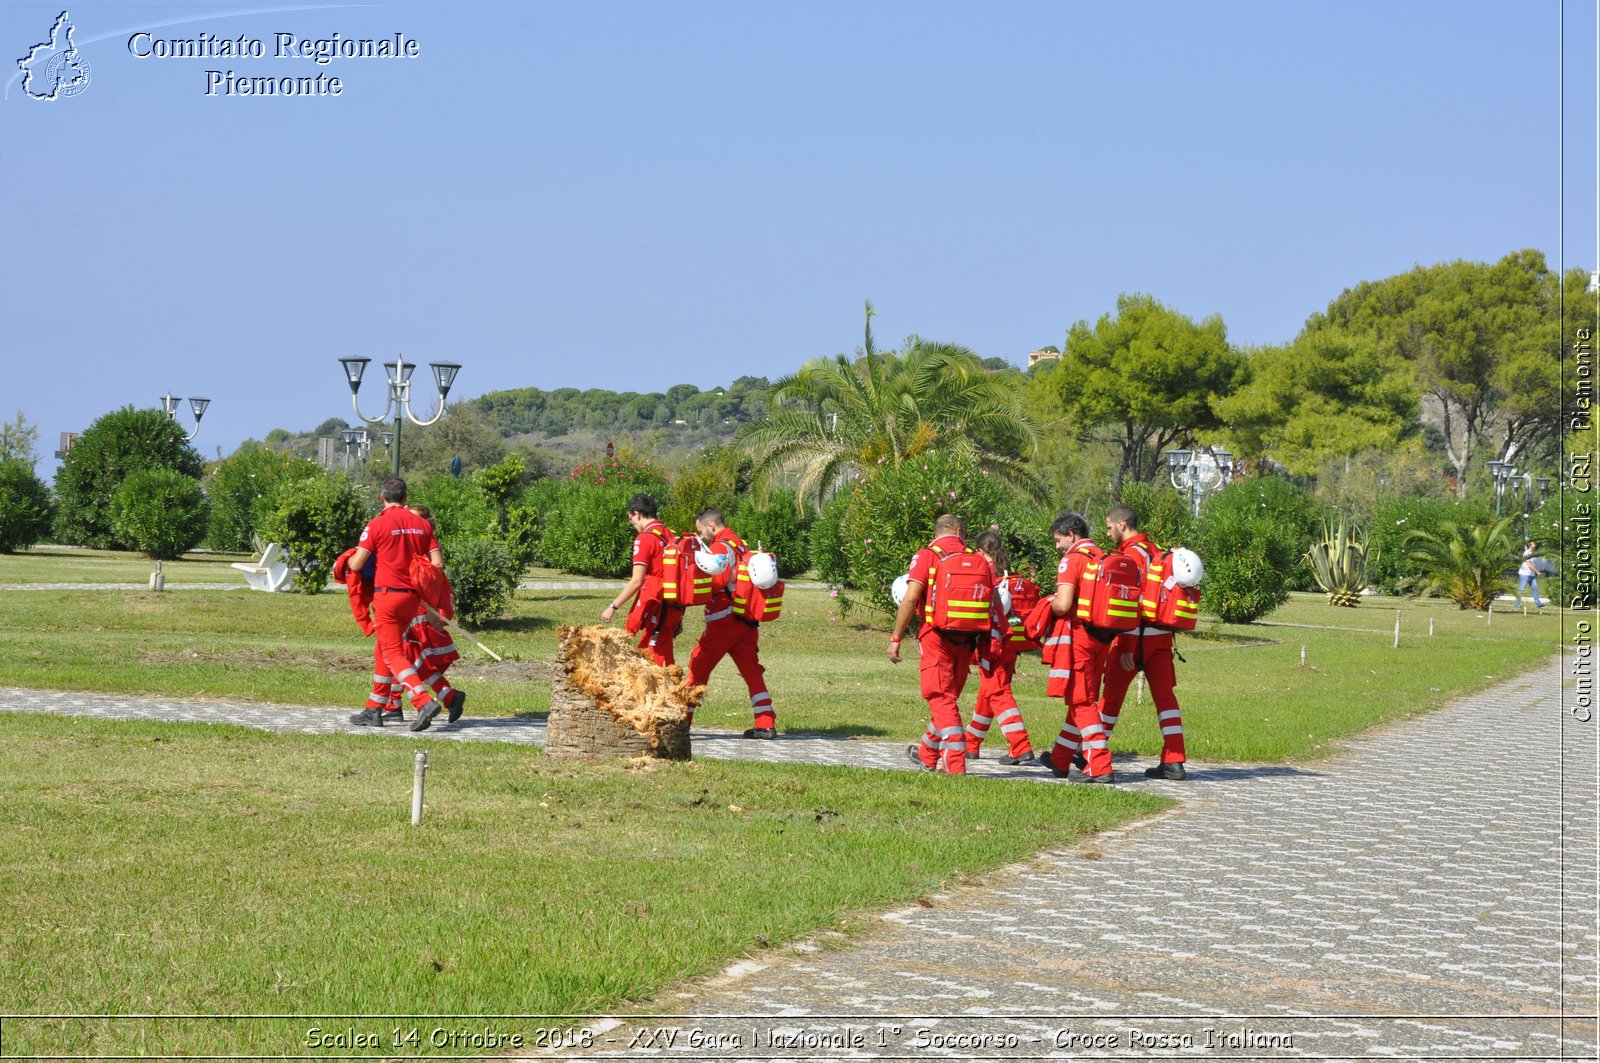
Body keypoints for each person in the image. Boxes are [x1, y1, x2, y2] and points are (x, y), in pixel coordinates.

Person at [344, 477, 453, 732]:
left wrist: (346, 561)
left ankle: (422, 700)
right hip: (413, 598)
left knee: (393, 652)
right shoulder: (422, 525)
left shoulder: (377, 524)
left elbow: (357, 564)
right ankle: (375, 708)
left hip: (388, 596)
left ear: (382, 498)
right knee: (386, 648)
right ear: (406, 498)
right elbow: (437, 562)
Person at [889, 514, 990, 775]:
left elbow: (911, 598)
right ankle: (927, 752)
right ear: (959, 531)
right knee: (948, 698)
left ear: (937, 533)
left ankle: (955, 765)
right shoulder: (978, 558)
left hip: (936, 637)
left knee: (941, 699)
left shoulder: (927, 555)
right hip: (968, 639)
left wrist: (896, 638)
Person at [1094, 504, 1187, 780]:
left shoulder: (1130, 556)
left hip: (1135, 637)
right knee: (1166, 700)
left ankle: (1091, 752)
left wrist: (1126, 646)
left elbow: (1129, 604)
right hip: (1160, 637)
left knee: (1110, 698)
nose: (1108, 533)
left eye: (1109, 527)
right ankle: (1175, 760)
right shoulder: (1154, 550)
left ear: (1122, 525)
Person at [684, 508, 777, 738]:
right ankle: (765, 722)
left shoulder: (719, 547)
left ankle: (681, 719)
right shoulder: (740, 543)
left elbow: (717, 582)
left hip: (724, 620)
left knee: (698, 667)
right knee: (752, 671)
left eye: (702, 532)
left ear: (711, 526)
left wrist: (694, 581)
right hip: (746, 620)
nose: (702, 537)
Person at [1038, 512, 1116, 783]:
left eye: (1058, 540)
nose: (1057, 546)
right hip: (1103, 638)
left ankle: (1100, 765)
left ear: (1071, 534)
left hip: (1080, 637)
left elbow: (1062, 604)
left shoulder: (1072, 560)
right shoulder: (1102, 556)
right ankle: (1060, 759)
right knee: (1082, 696)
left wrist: (1046, 603)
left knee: (1082, 701)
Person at [964, 531, 1036, 766]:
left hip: (993, 644)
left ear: (979, 550)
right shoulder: (1007, 574)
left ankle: (1021, 745)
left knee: (998, 693)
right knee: (988, 691)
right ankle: (971, 741)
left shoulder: (984, 572)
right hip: (1011, 643)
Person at [600, 493, 684, 667]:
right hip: (674, 608)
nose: (631, 523)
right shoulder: (670, 535)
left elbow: (636, 581)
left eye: (630, 518)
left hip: (657, 608)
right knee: (654, 659)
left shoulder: (645, 539)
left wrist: (613, 607)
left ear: (637, 513)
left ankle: (670, 692)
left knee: (654, 664)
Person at [1517, 541, 1547, 610]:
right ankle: (1517, 603)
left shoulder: (1533, 554)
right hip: (1524, 574)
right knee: (1521, 589)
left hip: (1531, 575)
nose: (1535, 545)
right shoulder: (1527, 553)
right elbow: (1529, 564)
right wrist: (1537, 571)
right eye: (1534, 544)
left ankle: (1538, 604)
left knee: (1535, 589)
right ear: (1530, 546)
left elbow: (1533, 564)